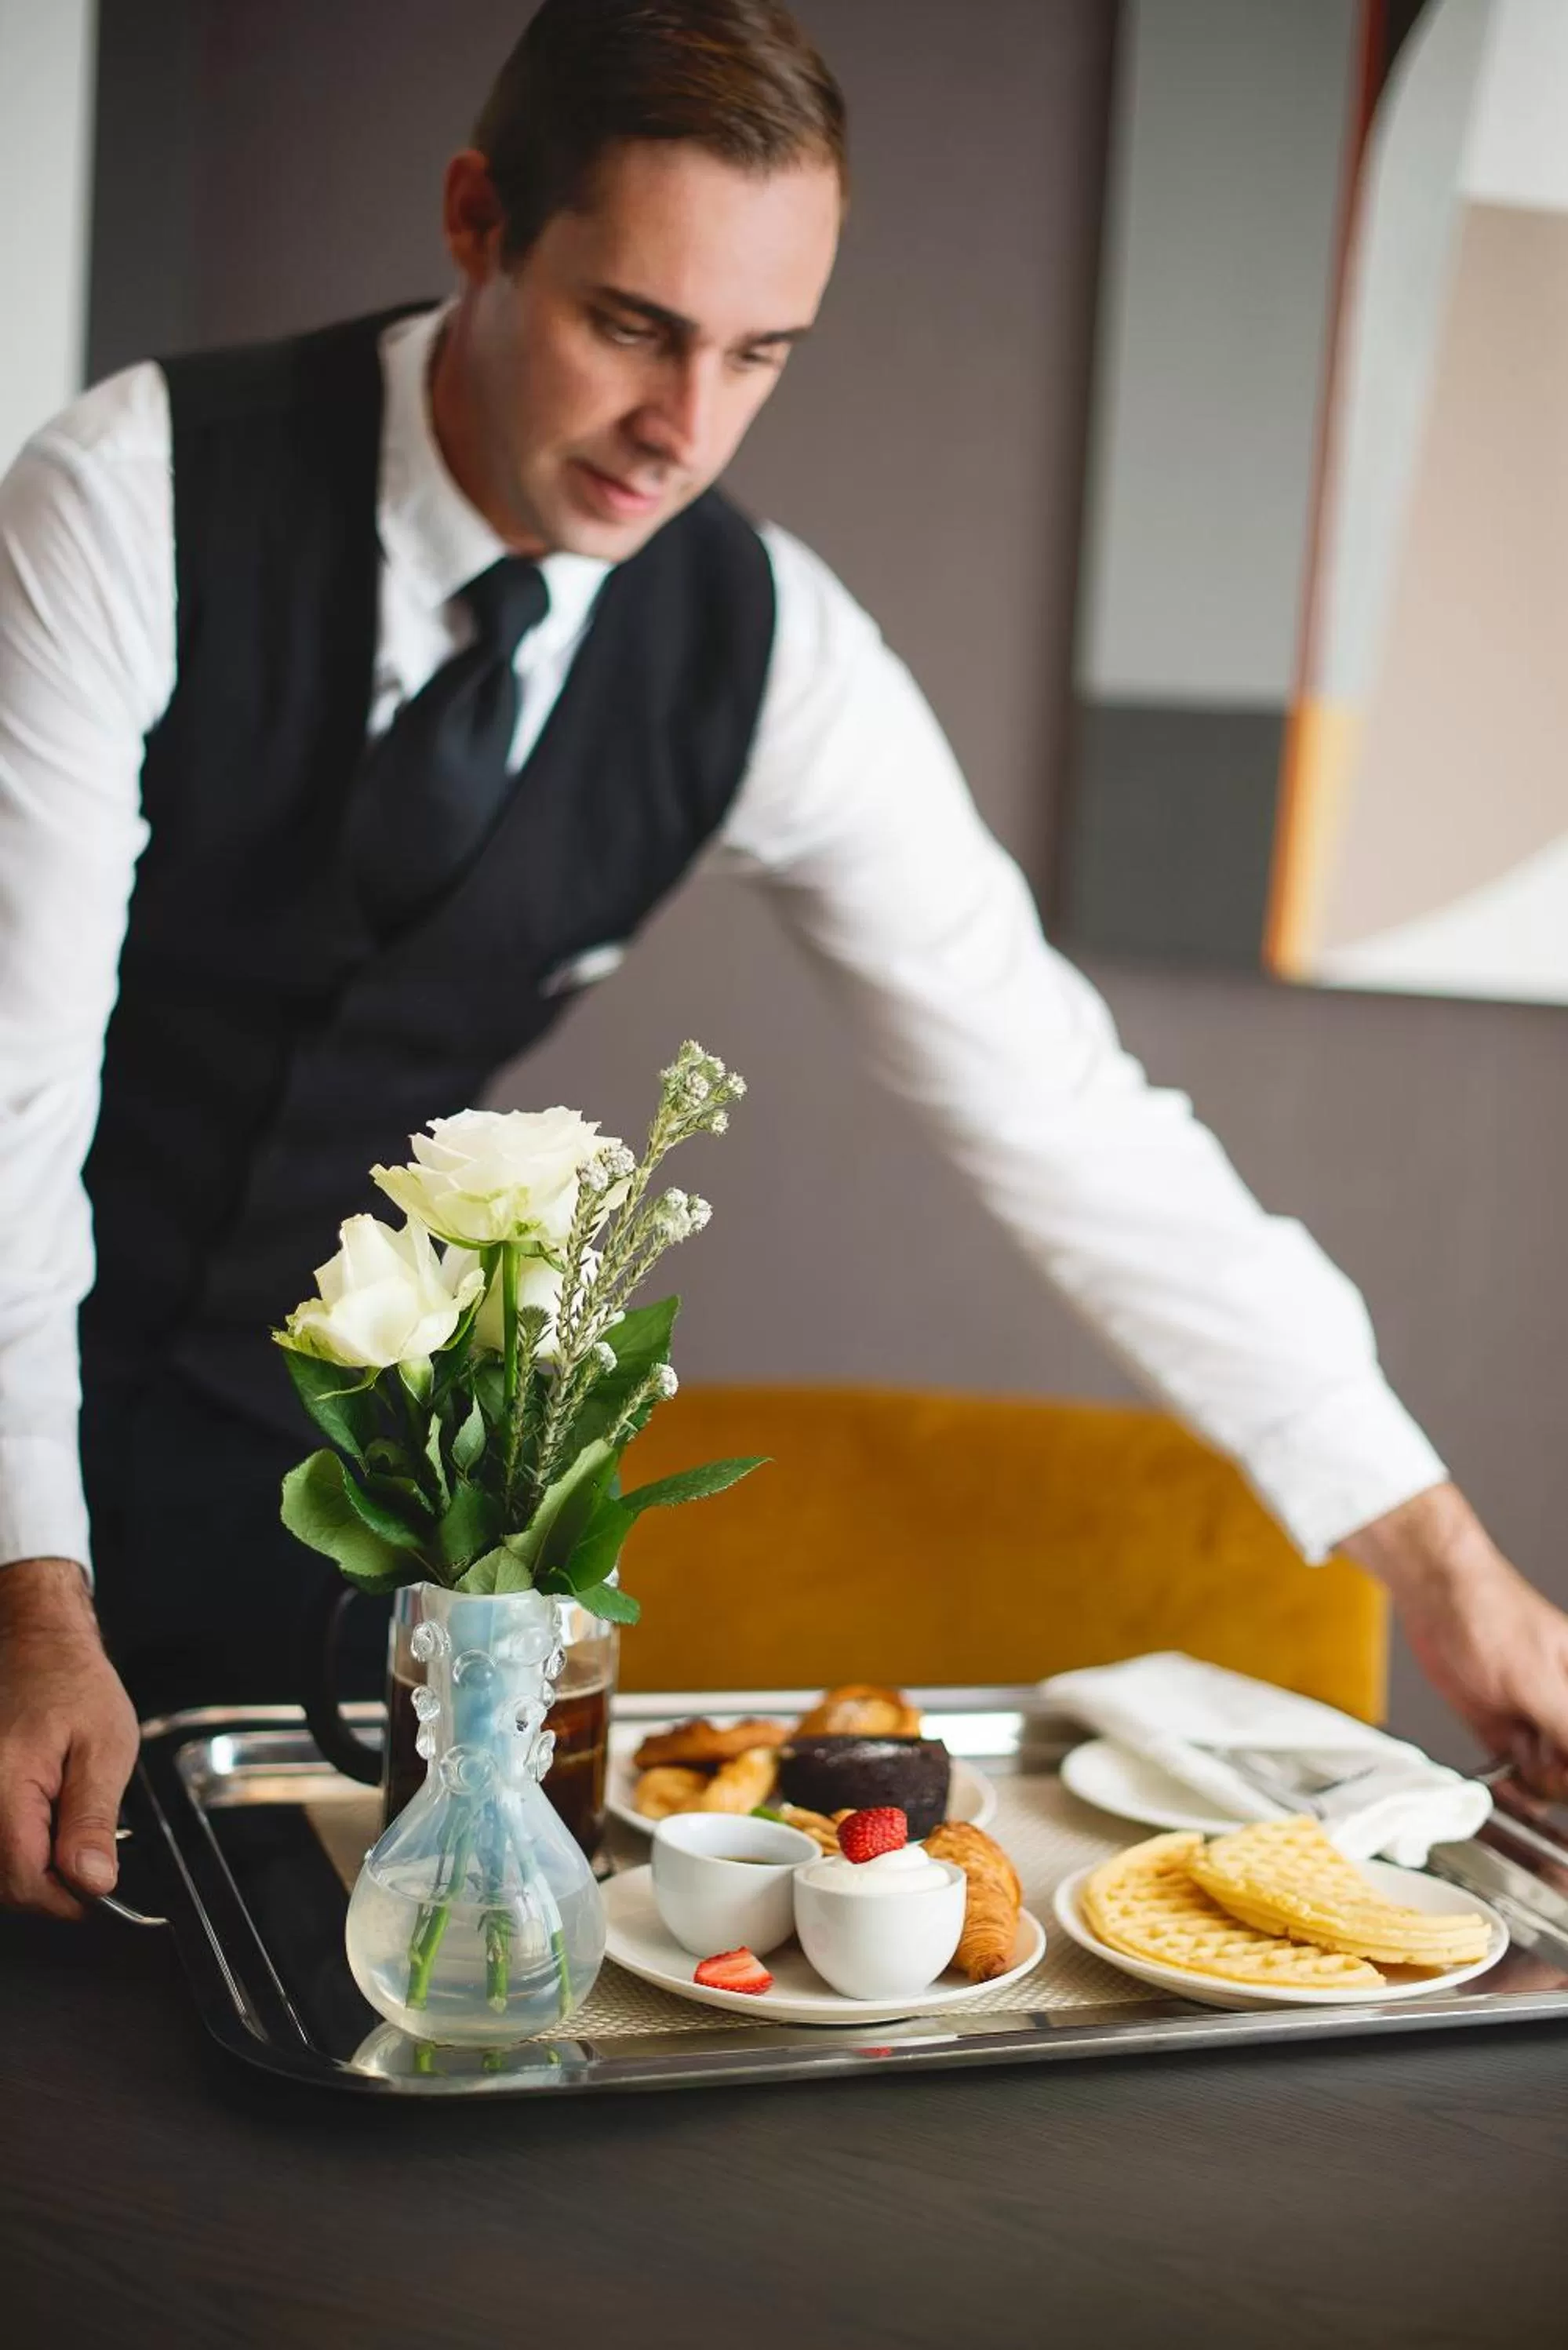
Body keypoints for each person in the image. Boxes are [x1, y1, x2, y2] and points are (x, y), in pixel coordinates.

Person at [2, 0, 1565, 1923]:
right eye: (633, 326)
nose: (686, 428)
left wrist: (1449, 1567)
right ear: (481, 220)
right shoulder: (131, 496)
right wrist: (32, 1590)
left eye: (758, 355)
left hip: (301, 1485)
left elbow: (1069, 1114)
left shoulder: (770, 650)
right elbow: (14, 1093)